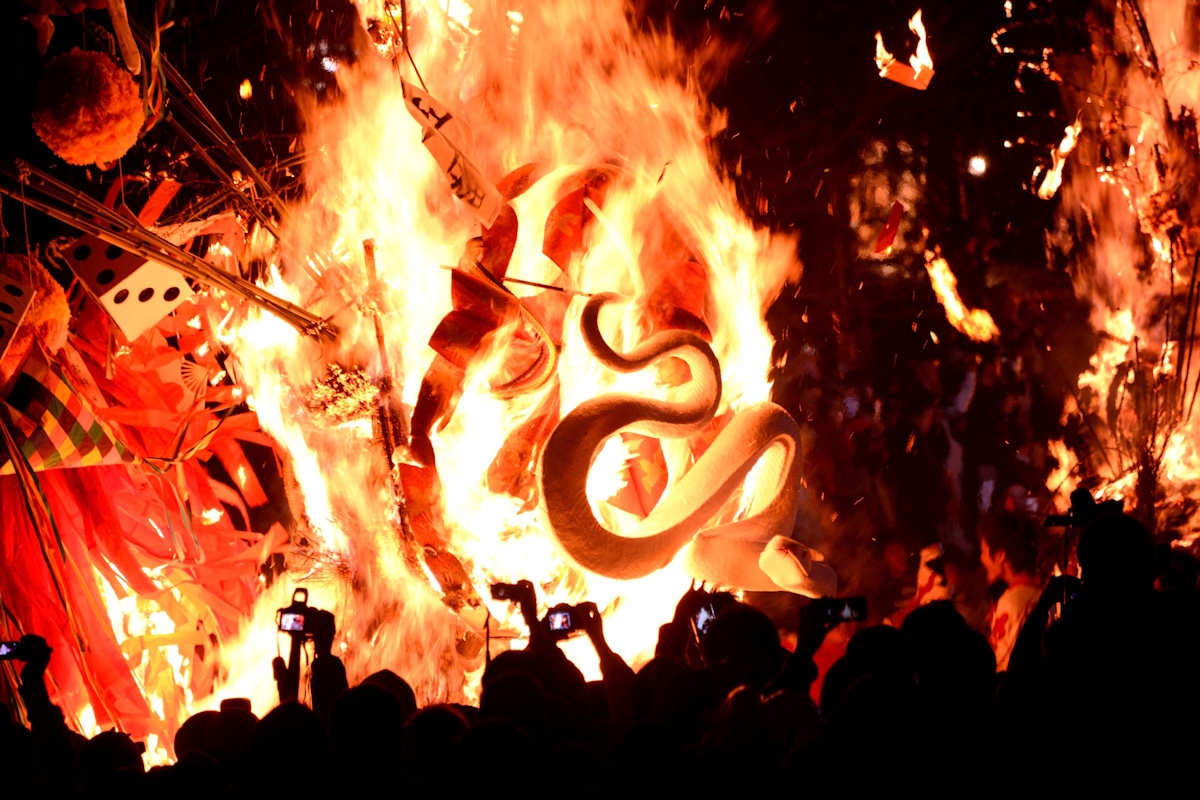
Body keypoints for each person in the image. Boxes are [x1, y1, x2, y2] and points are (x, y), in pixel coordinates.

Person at [979, 512, 1041, 671]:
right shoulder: (1042, 591)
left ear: (1000, 556)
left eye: (983, 552)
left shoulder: (1010, 603)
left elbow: (1000, 668)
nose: (981, 559)